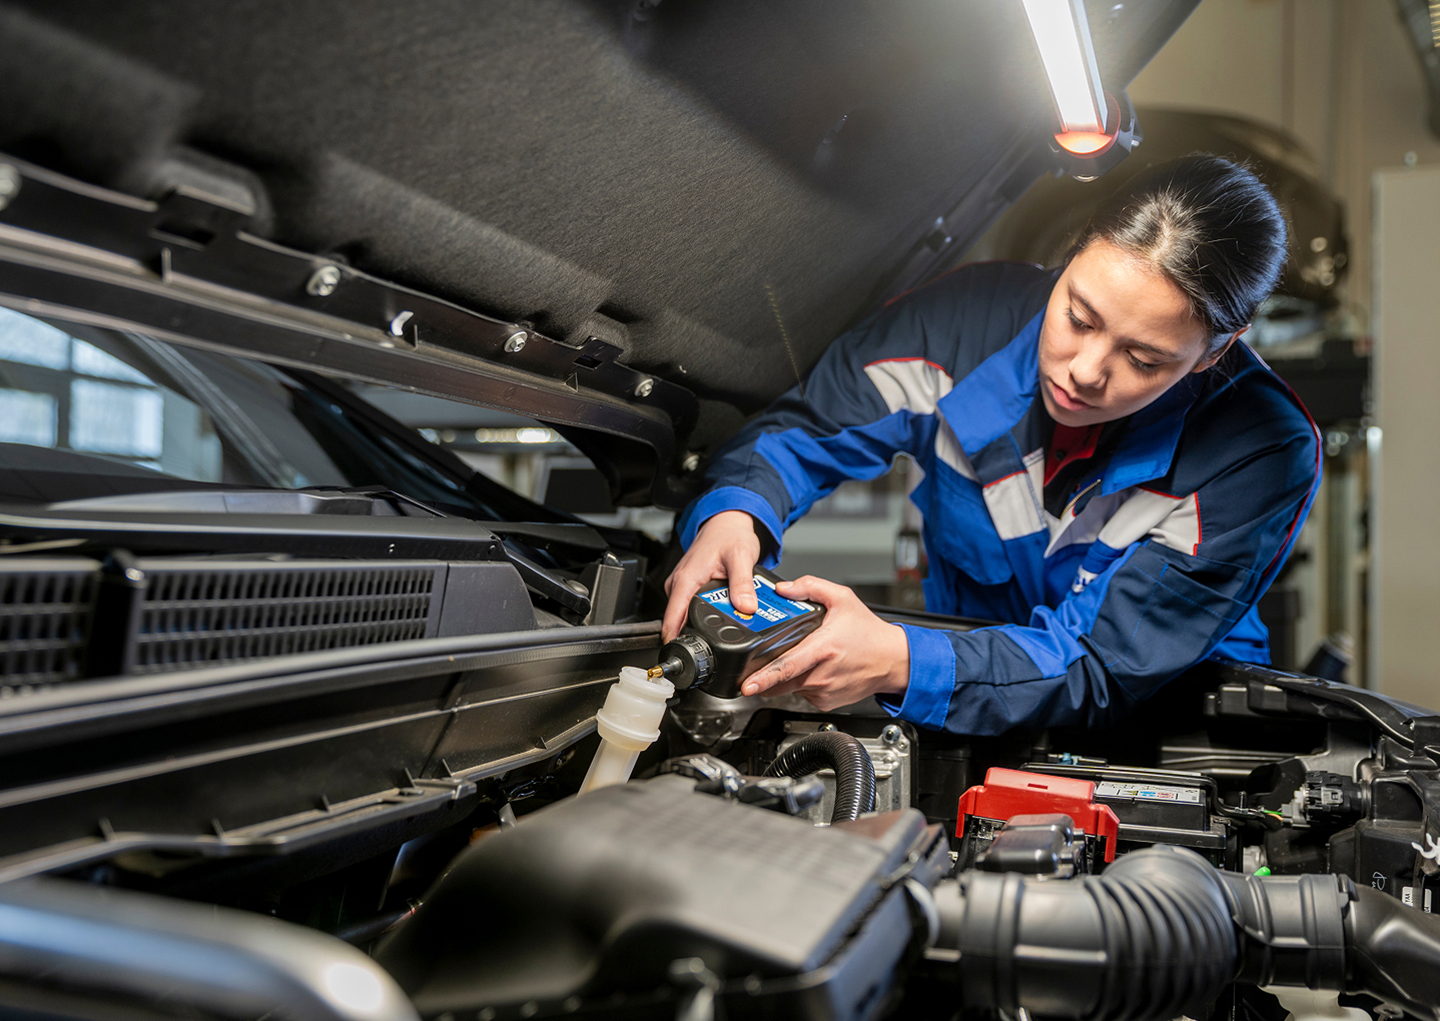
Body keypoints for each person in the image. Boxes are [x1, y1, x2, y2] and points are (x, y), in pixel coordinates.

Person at [662, 155, 1320, 735]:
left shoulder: (1260, 450)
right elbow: (807, 429)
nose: (1085, 370)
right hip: (961, 708)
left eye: (1144, 358)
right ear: (1072, 251)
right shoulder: (955, 329)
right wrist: (737, 511)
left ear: (1215, 351)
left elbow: (1102, 663)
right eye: (1078, 316)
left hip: (1162, 732)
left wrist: (900, 661)